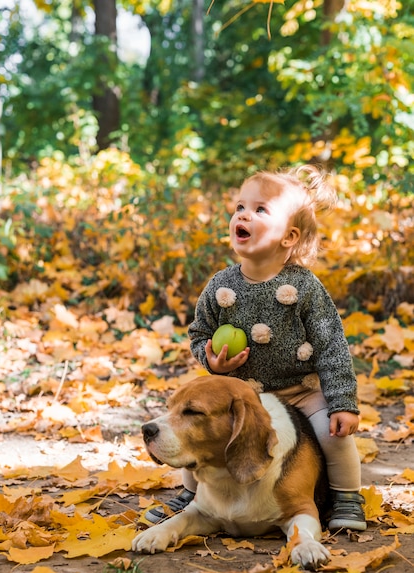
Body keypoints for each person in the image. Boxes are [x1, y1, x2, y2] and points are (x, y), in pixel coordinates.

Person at [145, 165, 367, 532]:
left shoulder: (305, 287)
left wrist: (342, 402)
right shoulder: (220, 286)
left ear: (289, 236)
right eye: (239, 207)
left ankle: (347, 496)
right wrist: (210, 359)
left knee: (334, 435)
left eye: (260, 209)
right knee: (197, 430)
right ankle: (193, 494)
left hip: (300, 392)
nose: (243, 215)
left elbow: (332, 345)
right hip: (243, 392)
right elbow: (199, 334)